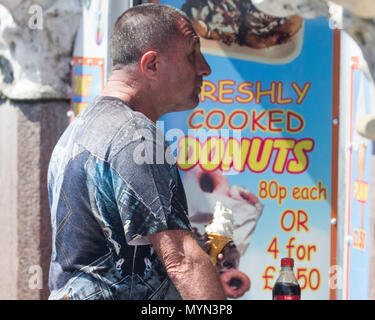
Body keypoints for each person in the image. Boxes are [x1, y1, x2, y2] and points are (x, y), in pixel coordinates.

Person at [47, 3, 226, 300]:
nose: (205, 67)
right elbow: (182, 261)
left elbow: (97, 249)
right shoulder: (136, 135)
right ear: (151, 65)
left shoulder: (78, 129)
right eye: (192, 54)